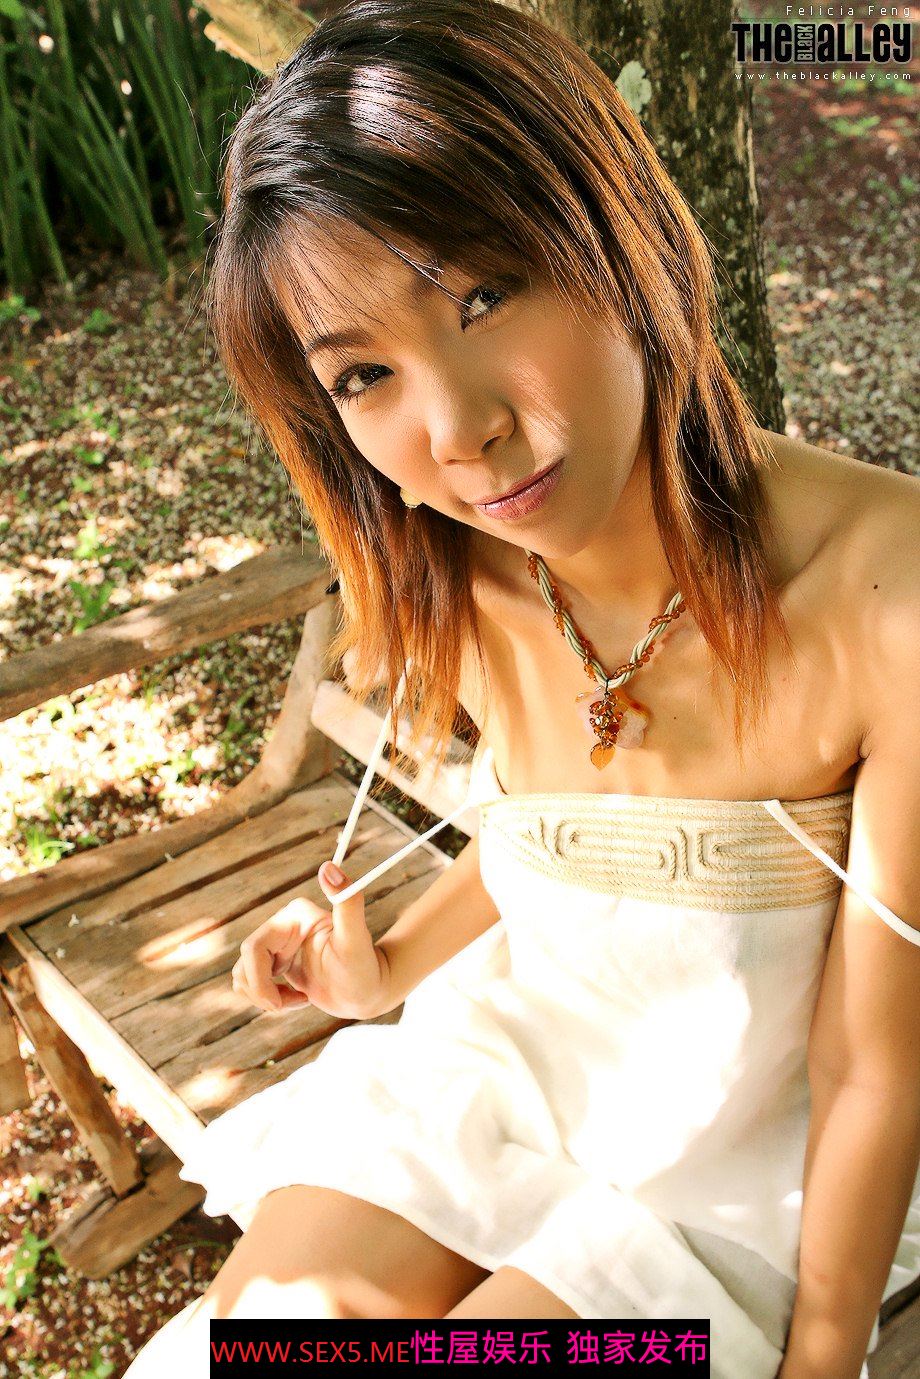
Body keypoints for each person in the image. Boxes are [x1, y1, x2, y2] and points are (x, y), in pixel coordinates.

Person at [124, 2, 920, 1376]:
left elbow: (872, 1069)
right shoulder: (473, 575)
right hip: (503, 1079)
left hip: (746, 1183)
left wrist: (826, 1355)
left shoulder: (886, 599)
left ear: (622, 229)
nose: (461, 432)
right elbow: (549, 835)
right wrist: (390, 964)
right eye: (365, 374)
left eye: (485, 296)